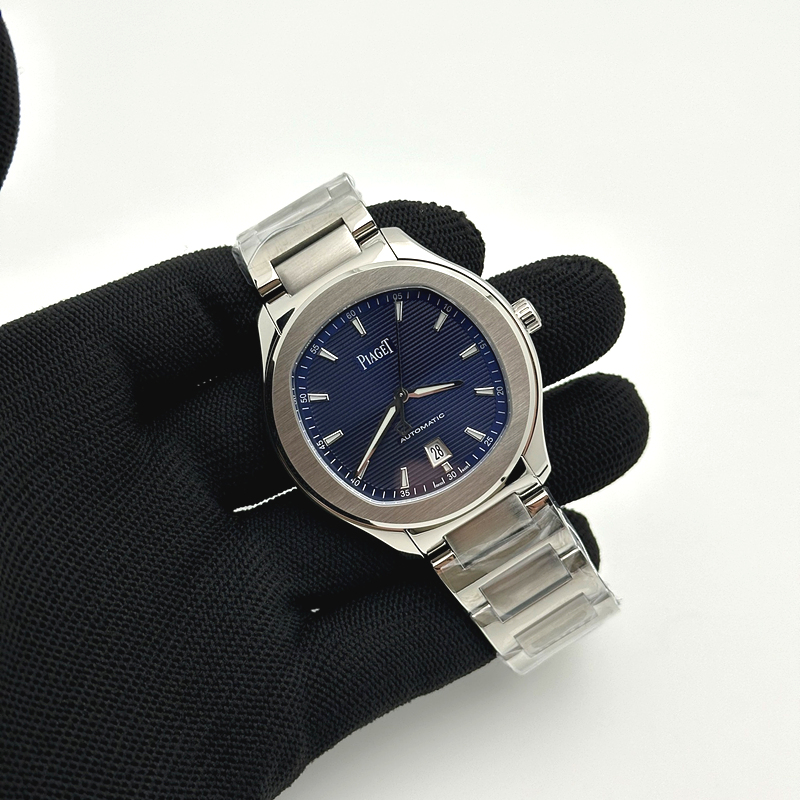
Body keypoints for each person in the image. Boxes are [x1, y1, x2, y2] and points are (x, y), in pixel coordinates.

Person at [0, 15, 647, 799]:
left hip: (459, 461)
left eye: (411, 387)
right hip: (403, 478)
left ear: (517, 322)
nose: (402, 397)